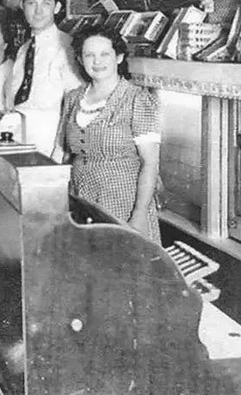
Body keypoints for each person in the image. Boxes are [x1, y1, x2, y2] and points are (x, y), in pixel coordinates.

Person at [56, 25, 162, 243]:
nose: (97, 61)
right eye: (89, 55)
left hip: (123, 204)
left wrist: (140, 214)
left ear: (119, 57)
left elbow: (150, 163)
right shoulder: (73, 98)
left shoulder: (137, 99)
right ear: (80, 59)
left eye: (105, 54)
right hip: (81, 201)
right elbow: (65, 153)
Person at [3, 0, 84, 160]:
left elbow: (75, 105)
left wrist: (60, 151)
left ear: (57, 7)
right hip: (16, 143)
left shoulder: (67, 47)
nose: (38, 11)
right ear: (23, 6)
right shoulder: (24, 49)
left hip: (48, 149)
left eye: (46, 4)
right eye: (32, 3)